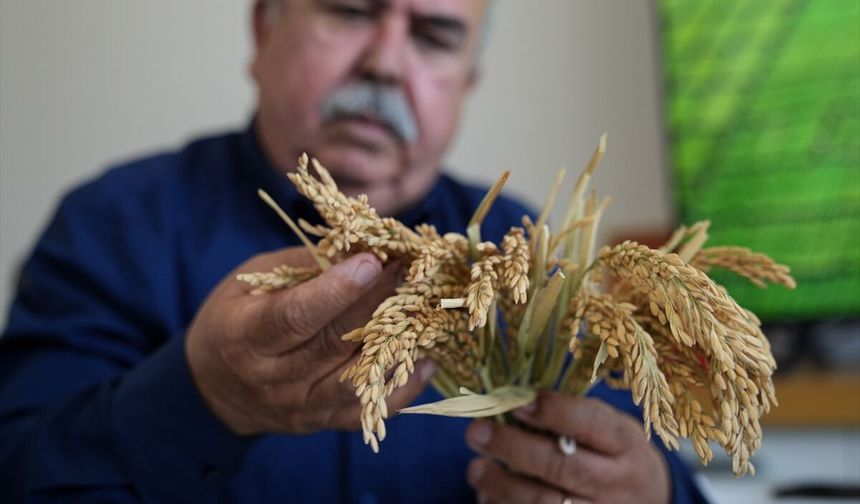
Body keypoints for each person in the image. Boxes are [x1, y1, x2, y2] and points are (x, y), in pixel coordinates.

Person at [0, 1, 708, 502]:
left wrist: (649, 489)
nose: (385, 62)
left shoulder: (528, 259)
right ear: (262, 28)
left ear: (467, 84)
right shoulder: (116, 226)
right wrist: (203, 397)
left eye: (433, 36)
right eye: (349, 10)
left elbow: (643, 460)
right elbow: (23, 475)